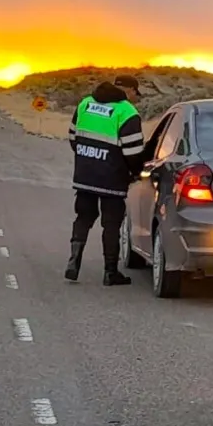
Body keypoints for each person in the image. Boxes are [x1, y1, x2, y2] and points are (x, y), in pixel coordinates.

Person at [65, 74, 145, 286]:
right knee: (111, 225)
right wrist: (136, 173)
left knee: (83, 218)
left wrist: (87, 157)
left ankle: (74, 261)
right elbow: (134, 152)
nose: (136, 99)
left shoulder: (85, 103)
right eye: (136, 94)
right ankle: (110, 272)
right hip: (113, 178)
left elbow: (73, 137)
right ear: (129, 90)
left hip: (84, 175)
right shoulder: (126, 112)